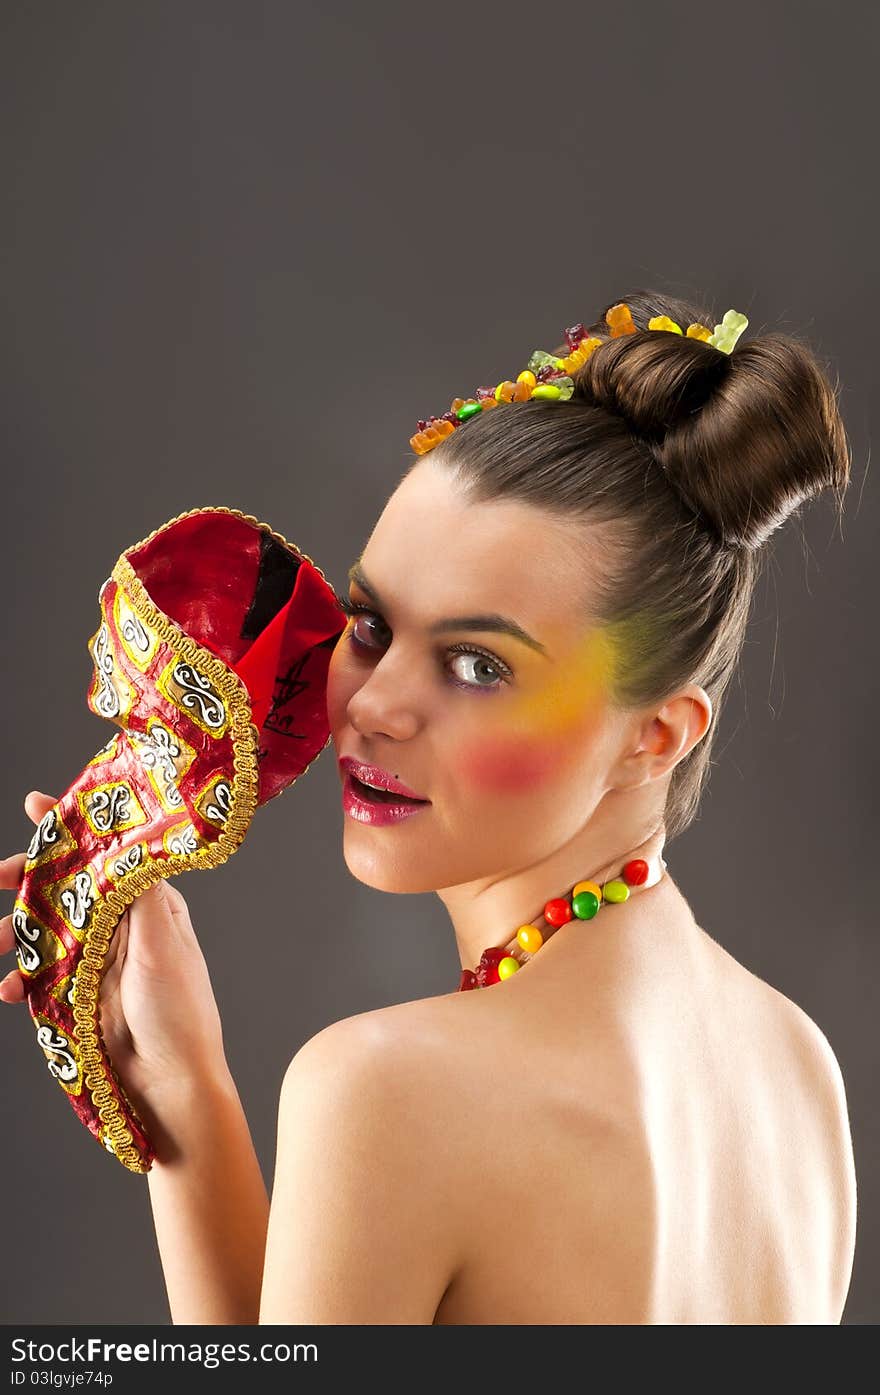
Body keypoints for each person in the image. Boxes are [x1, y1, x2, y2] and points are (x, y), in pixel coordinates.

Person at [0, 289, 858, 1324]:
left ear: (657, 735)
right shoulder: (796, 1070)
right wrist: (184, 1100)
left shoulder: (387, 1092)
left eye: (476, 664)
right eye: (369, 626)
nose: (373, 705)